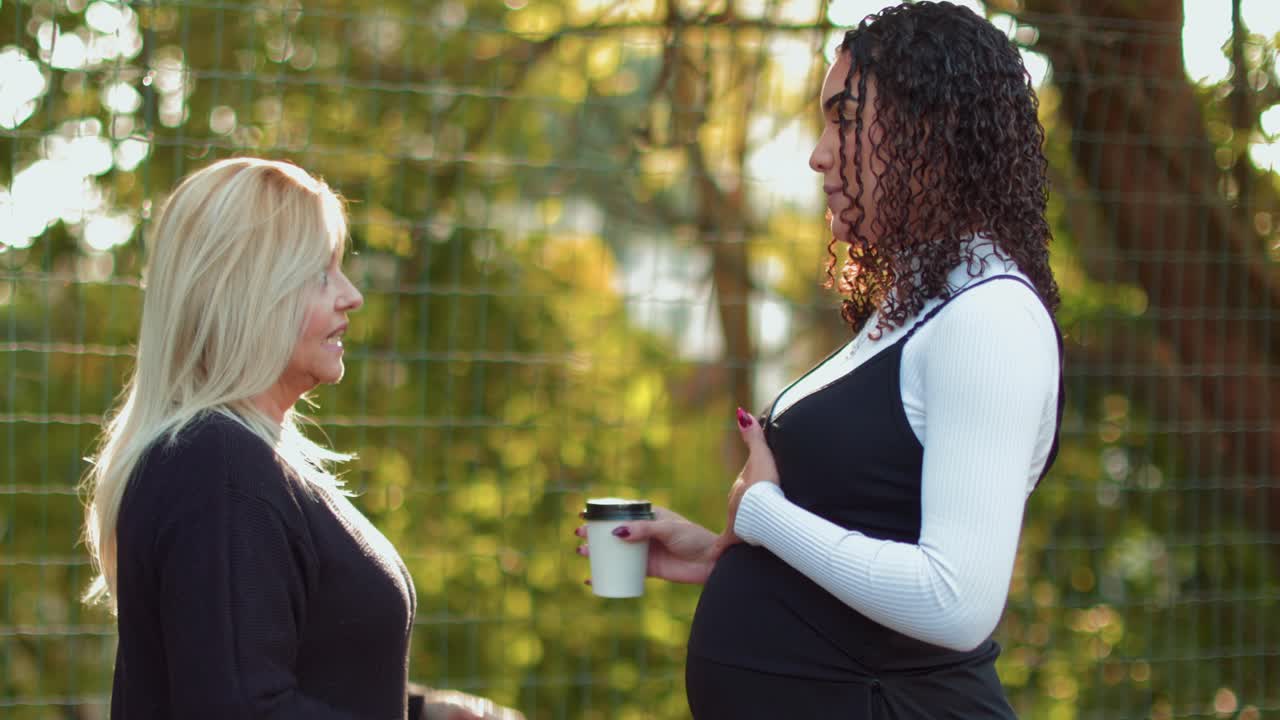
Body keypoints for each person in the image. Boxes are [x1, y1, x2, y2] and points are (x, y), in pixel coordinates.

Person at [576, 2, 1064, 717]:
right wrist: (727, 553)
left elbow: (956, 601)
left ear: (926, 130)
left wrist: (765, 515)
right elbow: (862, 540)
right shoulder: (915, 308)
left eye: (842, 117)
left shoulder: (989, 319)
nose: (818, 152)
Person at [81, 157, 523, 720]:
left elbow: (286, 672)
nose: (351, 295)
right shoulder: (218, 470)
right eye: (321, 274)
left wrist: (425, 712)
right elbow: (240, 709)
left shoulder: (246, 458)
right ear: (249, 292)